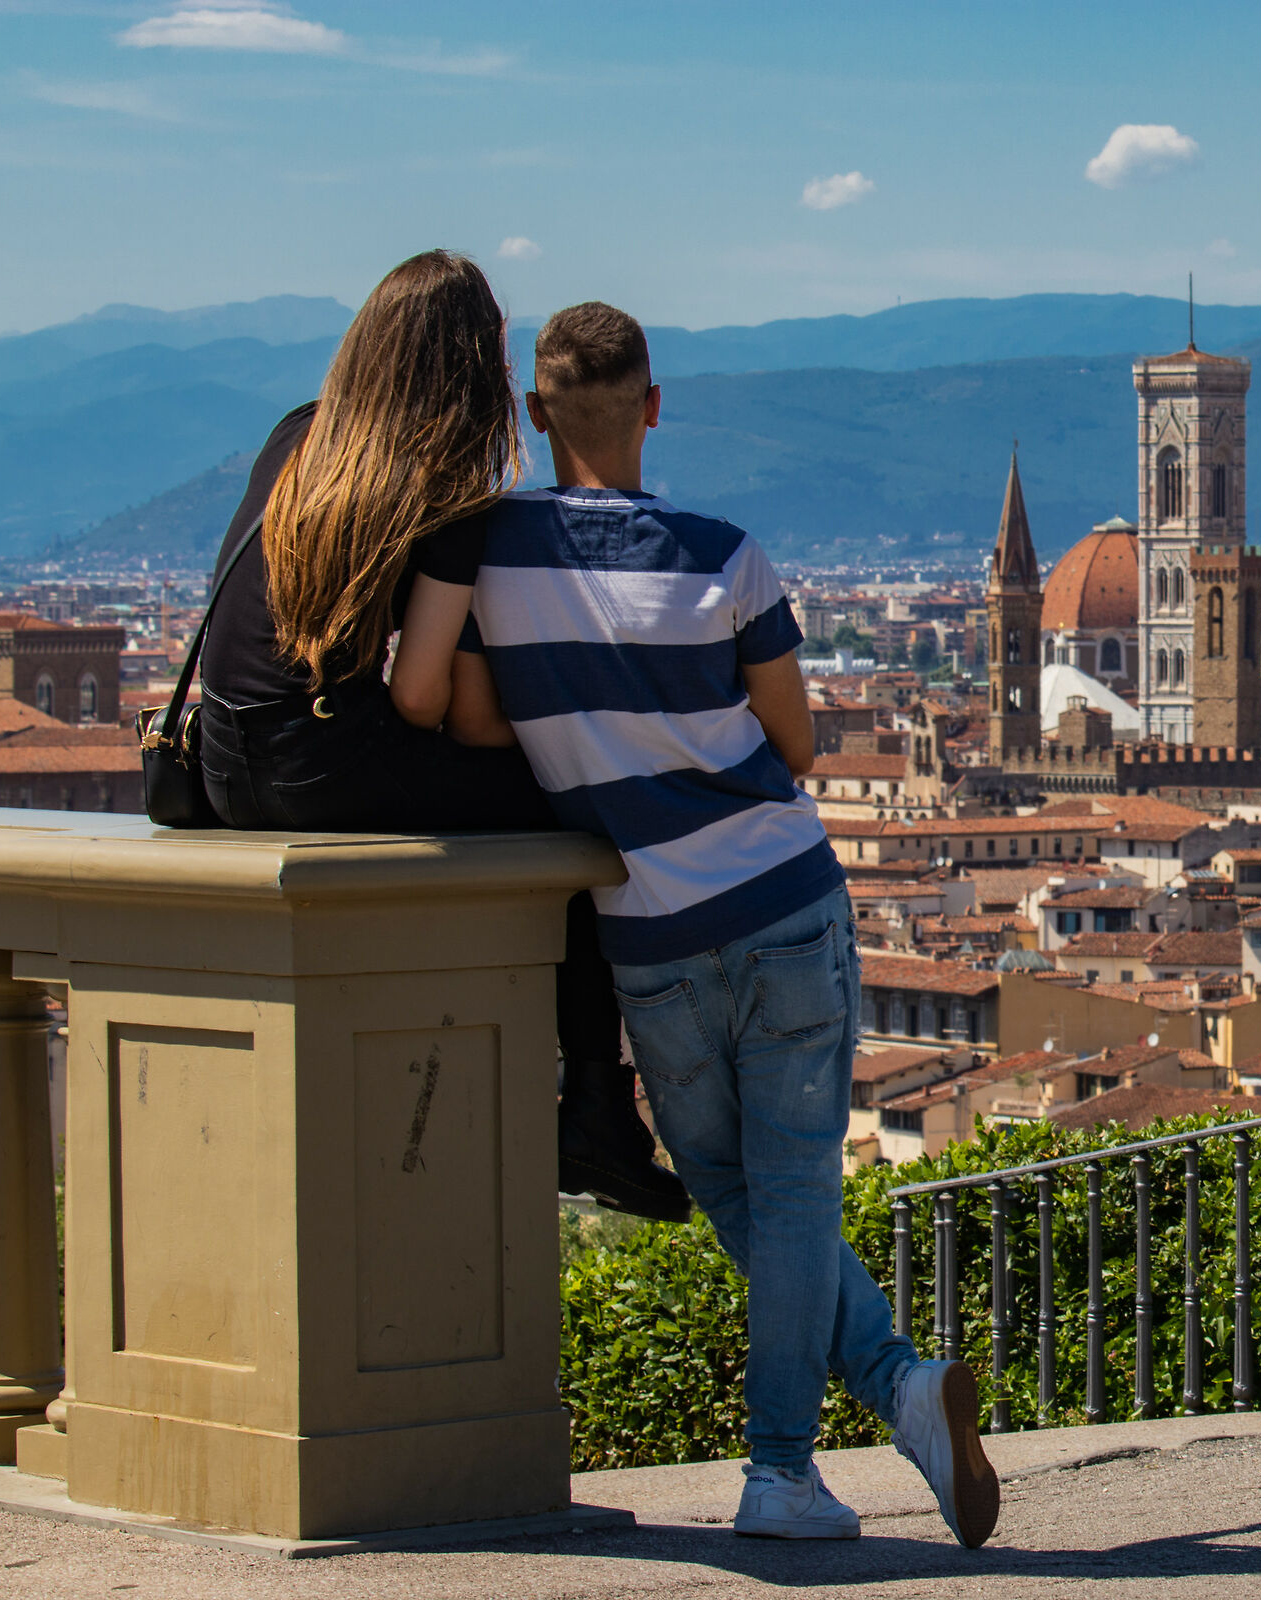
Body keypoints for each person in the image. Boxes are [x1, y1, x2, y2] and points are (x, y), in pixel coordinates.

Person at [389, 300, 998, 1547]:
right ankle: (824, 1439)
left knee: (737, 1193)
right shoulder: (728, 554)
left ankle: (863, 1414)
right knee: (781, 1192)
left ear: (534, 414)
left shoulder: (483, 553)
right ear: (655, 407)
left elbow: (443, 705)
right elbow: (796, 743)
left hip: (648, 934)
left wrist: (574, 723)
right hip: (782, 900)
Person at [195, 250, 686, 1224]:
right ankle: (598, 1107)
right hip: (324, 768)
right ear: (473, 364)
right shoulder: (448, 478)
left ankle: (598, 1110)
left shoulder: (295, 437)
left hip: (217, 766)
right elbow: (420, 698)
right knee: (581, 824)